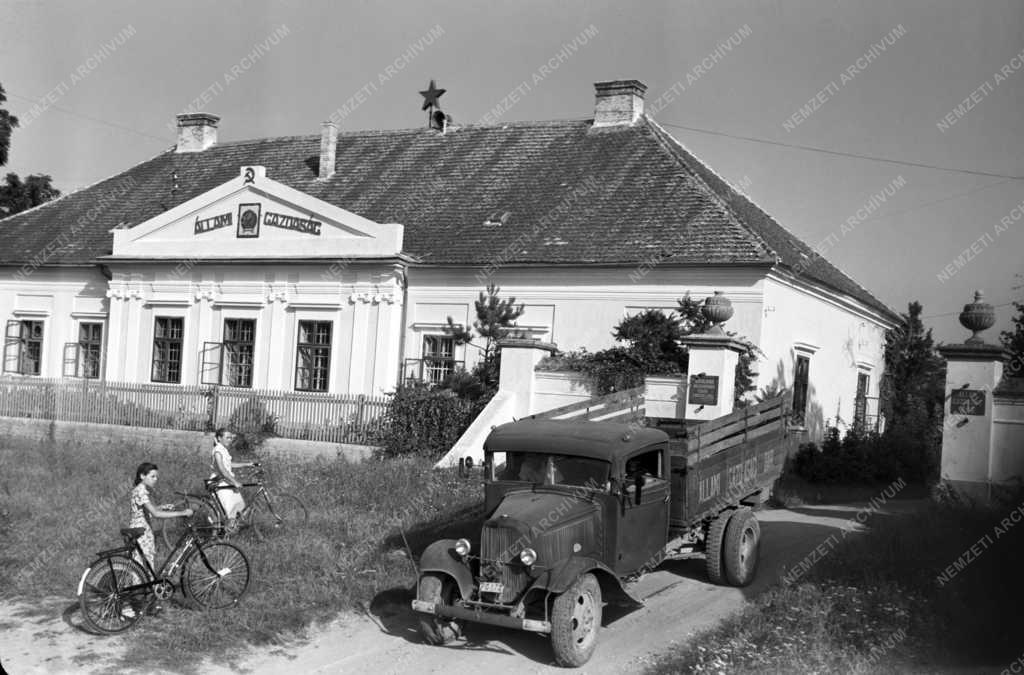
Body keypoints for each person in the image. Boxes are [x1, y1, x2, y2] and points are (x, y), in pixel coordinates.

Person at [129, 462, 193, 571]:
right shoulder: (141, 491)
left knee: (143, 565)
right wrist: (182, 513)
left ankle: (145, 587)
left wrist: (162, 507)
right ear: (142, 476)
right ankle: (140, 587)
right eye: (152, 476)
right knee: (141, 566)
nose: (155, 479)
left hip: (141, 529)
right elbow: (155, 514)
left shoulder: (140, 490)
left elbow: (145, 511)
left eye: (156, 477)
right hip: (141, 532)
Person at [209, 428, 256, 523]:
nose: (230, 440)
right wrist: (235, 482)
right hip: (220, 482)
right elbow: (222, 469)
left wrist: (246, 464)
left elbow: (229, 464)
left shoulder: (224, 450)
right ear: (219, 438)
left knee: (240, 506)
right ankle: (224, 533)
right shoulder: (218, 451)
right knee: (230, 509)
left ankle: (232, 529)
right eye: (227, 437)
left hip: (228, 481)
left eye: (231, 438)